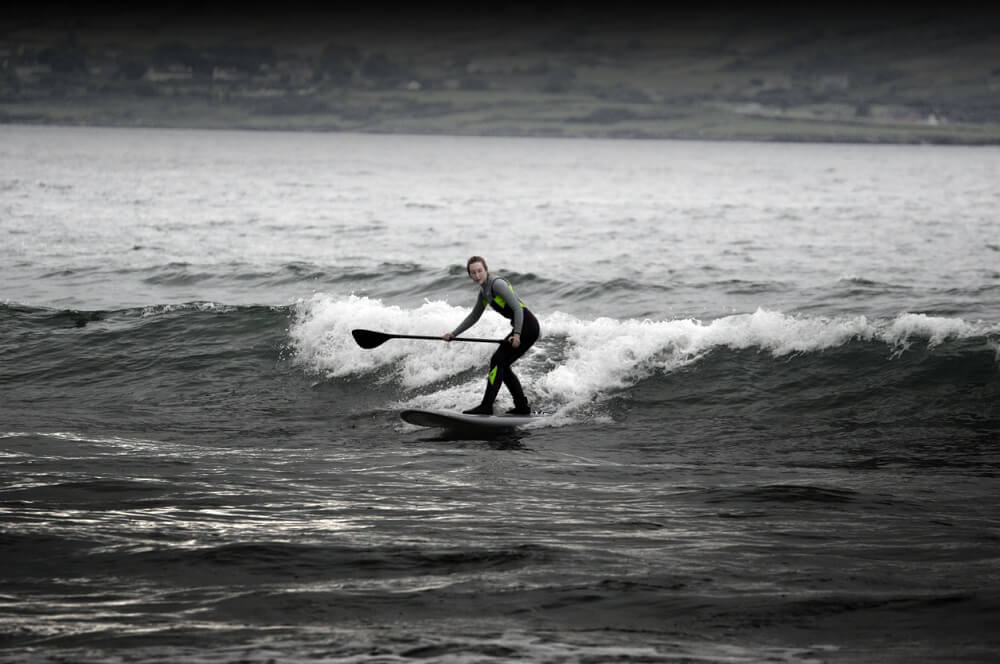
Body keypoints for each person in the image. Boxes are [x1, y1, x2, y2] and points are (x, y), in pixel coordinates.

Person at [443, 256, 540, 415]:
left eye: (480, 271)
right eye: (473, 273)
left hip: (527, 327)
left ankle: (487, 406)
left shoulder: (497, 284)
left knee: (497, 361)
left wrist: (517, 334)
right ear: (469, 275)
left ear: (486, 270)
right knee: (502, 365)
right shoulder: (484, 293)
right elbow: (474, 317)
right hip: (522, 327)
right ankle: (522, 406)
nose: (477, 275)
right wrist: (453, 334)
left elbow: (518, 309)